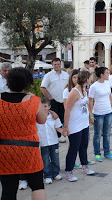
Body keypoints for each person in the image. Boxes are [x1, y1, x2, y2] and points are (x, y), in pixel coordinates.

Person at [0, 67, 48, 200]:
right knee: (37, 185)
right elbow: (42, 120)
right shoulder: (34, 101)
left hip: (5, 151)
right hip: (30, 151)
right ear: (27, 83)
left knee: (8, 190)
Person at [63, 70, 95, 182]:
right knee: (74, 148)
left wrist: (90, 116)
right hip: (74, 125)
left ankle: (84, 166)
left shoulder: (84, 90)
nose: (91, 80)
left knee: (84, 145)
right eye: (90, 78)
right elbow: (67, 110)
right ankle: (68, 171)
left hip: (84, 124)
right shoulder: (74, 92)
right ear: (86, 79)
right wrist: (65, 127)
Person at [88, 67, 112, 162]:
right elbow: (90, 101)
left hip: (108, 112)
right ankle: (97, 153)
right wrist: (91, 115)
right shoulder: (94, 86)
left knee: (107, 134)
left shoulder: (107, 83)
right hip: (98, 113)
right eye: (107, 73)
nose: (108, 74)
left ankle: (107, 152)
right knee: (97, 134)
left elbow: (110, 97)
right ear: (101, 75)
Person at [40, 58, 69, 143]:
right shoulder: (48, 75)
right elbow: (43, 87)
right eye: (55, 64)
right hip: (54, 100)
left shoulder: (66, 75)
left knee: (64, 117)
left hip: (64, 101)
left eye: (58, 64)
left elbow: (69, 86)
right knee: (55, 118)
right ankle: (55, 136)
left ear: (61, 64)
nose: (57, 66)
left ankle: (63, 135)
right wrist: (50, 98)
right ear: (52, 65)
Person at [37, 97, 63, 184]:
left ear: (49, 107)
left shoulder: (54, 117)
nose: (43, 108)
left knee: (55, 158)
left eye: (45, 106)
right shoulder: (37, 118)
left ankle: (56, 173)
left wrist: (64, 132)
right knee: (45, 159)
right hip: (43, 143)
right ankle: (47, 175)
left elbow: (58, 127)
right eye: (42, 106)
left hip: (54, 142)